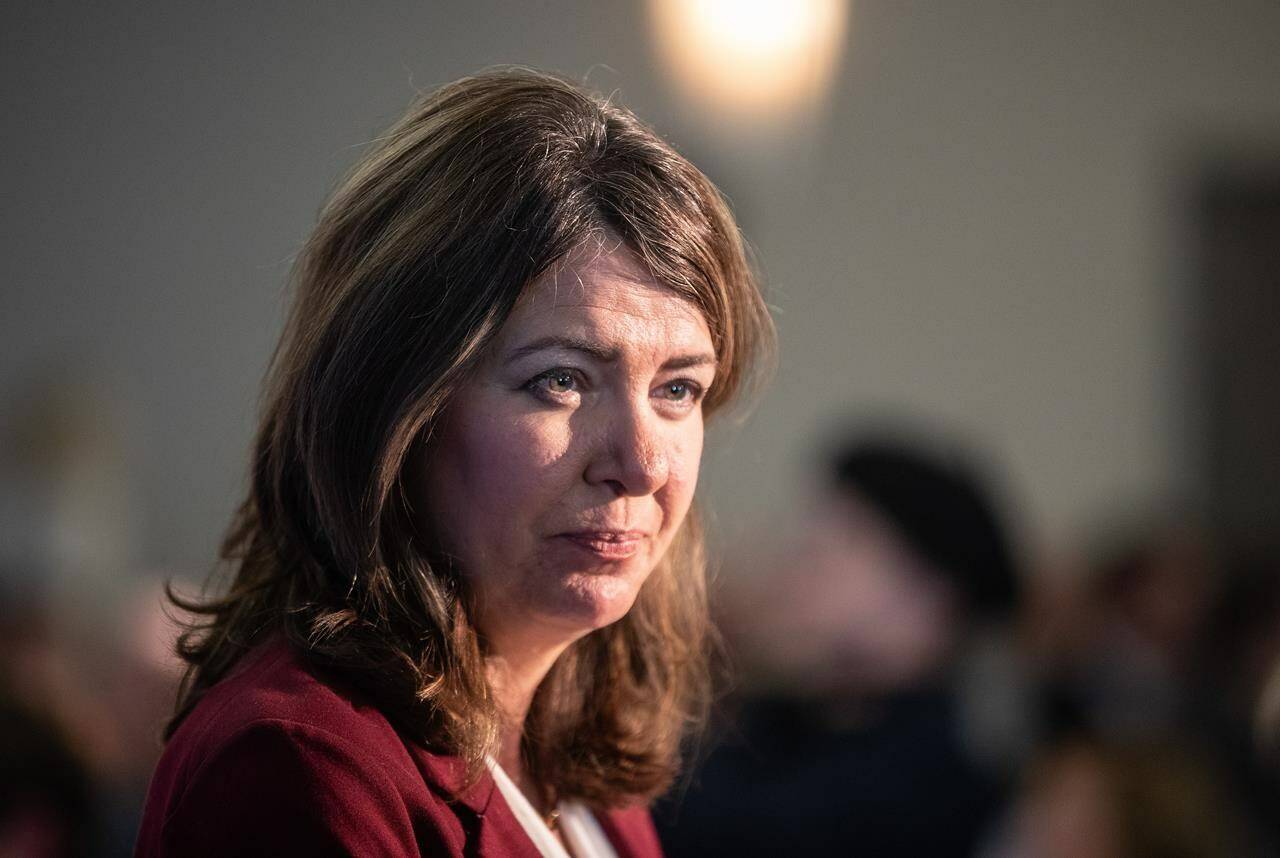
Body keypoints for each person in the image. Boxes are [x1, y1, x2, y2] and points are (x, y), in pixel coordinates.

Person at [134, 68, 772, 857]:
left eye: (678, 389)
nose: (640, 465)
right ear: (397, 406)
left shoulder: (581, 780)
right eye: (561, 380)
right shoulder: (299, 766)